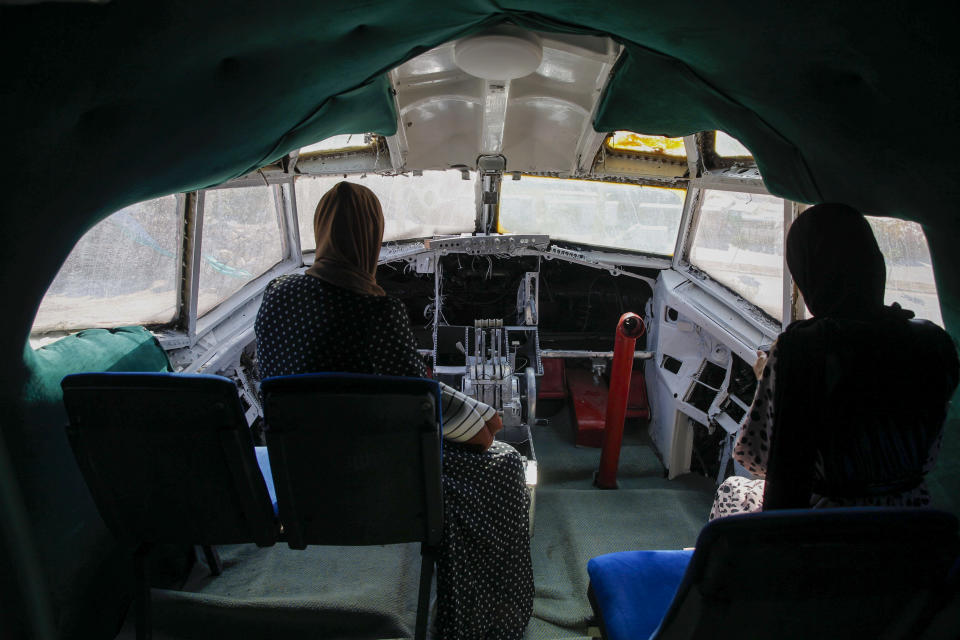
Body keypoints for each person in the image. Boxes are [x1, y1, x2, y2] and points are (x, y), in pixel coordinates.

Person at [255, 181, 534, 639]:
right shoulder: (376, 312)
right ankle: (485, 621)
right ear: (372, 238)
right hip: (378, 480)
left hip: (301, 477)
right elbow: (419, 403)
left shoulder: (277, 295)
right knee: (503, 464)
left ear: (320, 229)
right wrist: (482, 421)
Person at [710, 203, 958, 519]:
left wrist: (768, 379)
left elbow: (754, 457)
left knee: (732, 489)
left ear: (809, 274)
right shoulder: (935, 343)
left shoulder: (802, 348)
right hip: (911, 524)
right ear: (875, 265)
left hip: (823, 527)